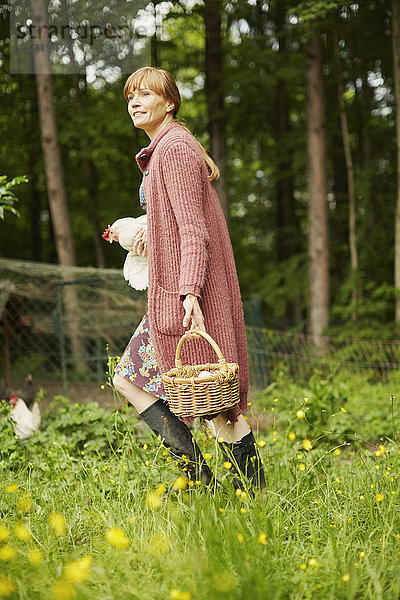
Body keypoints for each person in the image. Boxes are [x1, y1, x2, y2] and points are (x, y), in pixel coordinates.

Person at [112, 66, 265, 491]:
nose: (136, 103)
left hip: (188, 295)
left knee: (219, 407)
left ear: (170, 102)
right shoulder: (163, 150)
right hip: (176, 292)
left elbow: (195, 230)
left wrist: (191, 293)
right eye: (131, 97)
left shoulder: (175, 149)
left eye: (146, 94)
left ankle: (237, 495)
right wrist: (150, 236)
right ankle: (211, 484)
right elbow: (178, 225)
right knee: (133, 379)